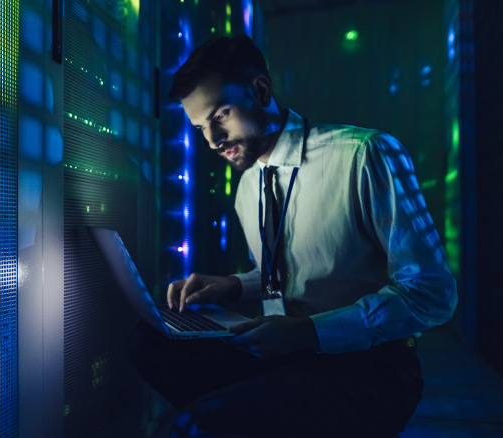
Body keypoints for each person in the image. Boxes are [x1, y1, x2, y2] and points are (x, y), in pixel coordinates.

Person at [127, 35, 457, 437]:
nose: (213, 140)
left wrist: (310, 333)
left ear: (260, 91)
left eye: (221, 115)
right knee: (149, 345)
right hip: (283, 356)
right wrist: (230, 286)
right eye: (200, 128)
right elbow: (285, 276)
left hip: (371, 368)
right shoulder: (248, 186)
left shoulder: (365, 154)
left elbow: (432, 293)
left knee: (195, 426)